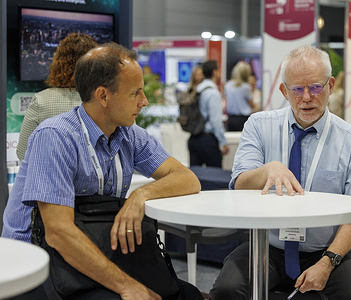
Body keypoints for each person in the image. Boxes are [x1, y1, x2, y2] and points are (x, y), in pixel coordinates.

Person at [2, 42, 203, 300]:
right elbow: (59, 234)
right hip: (38, 262)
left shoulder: (130, 135)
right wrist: (127, 286)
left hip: (97, 248)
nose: (145, 101)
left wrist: (139, 196)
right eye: (135, 93)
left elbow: (188, 179)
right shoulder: (56, 137)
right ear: (103, 96)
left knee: (189, 295)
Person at [209, 45, 351, 300]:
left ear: (330, 86)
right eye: (297, 89)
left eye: (315, 87)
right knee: (226, 290)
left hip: (327, 249)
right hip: (268, 246)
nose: (306, 97)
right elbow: (239, 185)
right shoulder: (259, 126)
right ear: (284, 91)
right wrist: (268, 169)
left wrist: (327, 262)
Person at [16, 33, 98, 161]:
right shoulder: (103, 101)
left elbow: (23, 153)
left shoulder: (41, 101)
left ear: (58, 63)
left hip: (48, 178)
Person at [188, 60, 229, 167]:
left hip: (194, 138)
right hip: (207, 140)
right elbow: (215, 121)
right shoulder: (212, 93)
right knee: (215, 177)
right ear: (215, 72)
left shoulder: (197, 89)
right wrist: (223, 142)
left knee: (196, 178)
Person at [224, 61, 254, 131]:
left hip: (231, 118)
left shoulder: (227, 85)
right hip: (243, 119)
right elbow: (251, 104)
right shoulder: (246, 87)